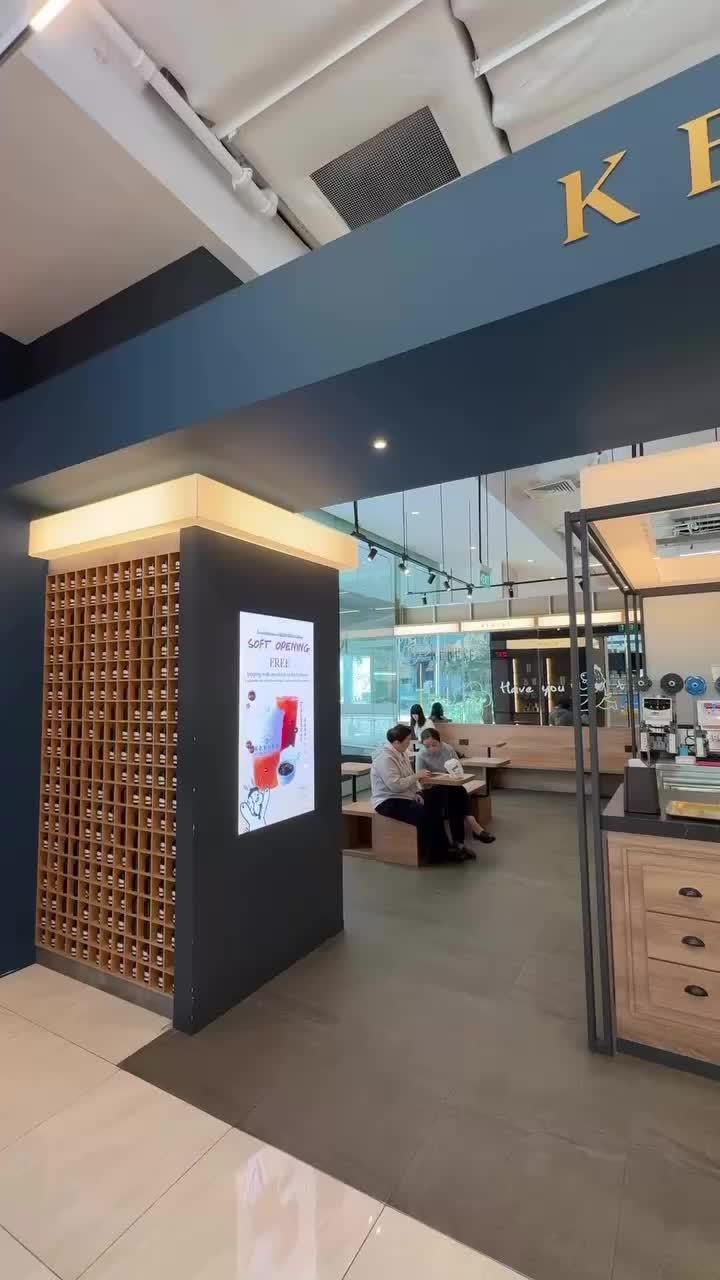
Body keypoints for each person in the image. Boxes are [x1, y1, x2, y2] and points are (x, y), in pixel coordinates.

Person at [371, 724, 450, 860]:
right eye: (407, 740)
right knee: (426, 815)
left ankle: (445, 849)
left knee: (435, 805)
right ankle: (435, 855)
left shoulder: (401, 753)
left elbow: (408, 778)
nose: (409, 743)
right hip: (387, 801)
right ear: (397, 742)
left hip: (404, 796)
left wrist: (417, 793)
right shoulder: (385, 758)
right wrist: (417, 776)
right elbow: (396, 786)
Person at [416, 726, 496, 853]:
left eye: (434, 744)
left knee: (455, 795)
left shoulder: (448, 749)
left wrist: (449, 776)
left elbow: (458, 770)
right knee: (458, 793)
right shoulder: (421, 755)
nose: (431, 749)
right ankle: (471, 828)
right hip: (431, 789)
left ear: (440, 741)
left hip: (450, 787)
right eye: (427, 746)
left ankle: (459, 843)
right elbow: (420, 779)